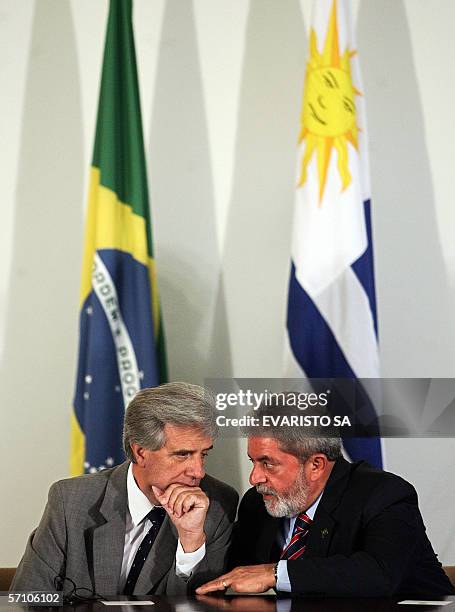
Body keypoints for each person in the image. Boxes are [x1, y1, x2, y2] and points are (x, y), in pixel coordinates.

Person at [197, 400, 454, 598]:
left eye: (268, 463)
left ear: (316, 465)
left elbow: (380, 574)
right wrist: (192, 536)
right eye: (253, 462)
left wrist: (276, 573)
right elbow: (230, 576)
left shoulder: (384, 494)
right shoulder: (258, 504)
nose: (255, 478)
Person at [12, 382, 238, 597]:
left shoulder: (217, 505)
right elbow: (29, 597)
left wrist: (191, 541)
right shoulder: (70, 500)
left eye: (204, 454)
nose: (198, 472)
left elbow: (204, 606)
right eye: (183, 455)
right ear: (140, 453)